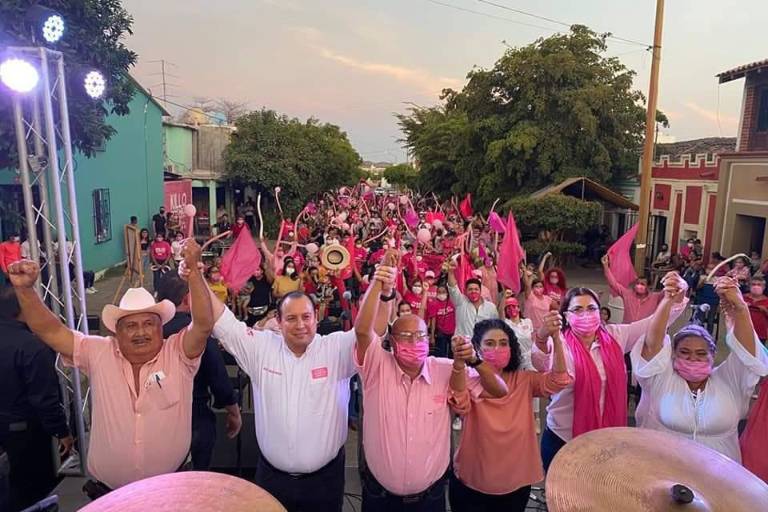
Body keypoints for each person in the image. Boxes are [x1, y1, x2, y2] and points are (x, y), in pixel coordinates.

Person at [7, 237, 212, 497]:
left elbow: (203, 325)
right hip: (108, 496)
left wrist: (193, 272)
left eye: (149, 324)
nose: (141, 332)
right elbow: (49, 329)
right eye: (131, 325)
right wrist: (26, 290)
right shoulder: (99, 351)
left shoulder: (179, 354)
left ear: (161, 328)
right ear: (116, 332)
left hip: (169, 493)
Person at [185, 253, 386, 512]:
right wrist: (195, 275)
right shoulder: (261, 349)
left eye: (306, 317)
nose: (300, 325)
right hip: (272, 480)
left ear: (317, 317)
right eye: (291, 318)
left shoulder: (336, 348)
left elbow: (372, 331)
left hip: (325, 482)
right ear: (278, 322)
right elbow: (221, 319)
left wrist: (385, 290)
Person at [354, 255, 507, 512]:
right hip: (379, 497)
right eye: (406, 336)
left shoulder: (444, 369)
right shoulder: (376, 367)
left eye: (421, 336)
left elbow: (499, 390)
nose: (415, 342)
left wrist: (474, 359)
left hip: (430, 499)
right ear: (392, 341)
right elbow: (362, 331)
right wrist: (380, 283)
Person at [532, 273, 689, 472]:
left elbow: (654, 323)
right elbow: (540, 363)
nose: (586, 314)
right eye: (577, 309)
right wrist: (542, 336)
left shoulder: (615, 336)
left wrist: (676, 295)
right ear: (566, 315)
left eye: (591, 308)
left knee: (600, 497)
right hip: (563, 439)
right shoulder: (558, 342)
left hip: (607, 440)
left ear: (600, 312)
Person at [632, 276, 768, 461]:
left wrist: (741, 308)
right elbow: (652, 344)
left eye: (701, 353)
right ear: (673, 355)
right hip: (665, 475)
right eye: (685, 352)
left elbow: (748, 355)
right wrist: (668, 300)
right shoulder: (661, 379)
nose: (693, 357)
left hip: (721, 481)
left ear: (712, 356)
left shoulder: (729, 380)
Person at [449, 319, 570, 512]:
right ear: (477, 349)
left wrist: (555, 338)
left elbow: (559, 380)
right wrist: (462, 362)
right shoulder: (469, 379)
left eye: (503, 343)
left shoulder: (524, 380)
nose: (497, 348)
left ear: (512, 348)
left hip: (515, 483)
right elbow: (459, 405)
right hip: (473, 480)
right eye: (489, 343)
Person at [157, 276, 242, 471]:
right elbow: (217, 375)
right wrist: (233, 411)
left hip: (157, 420)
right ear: (188, 299)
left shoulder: (151, 333)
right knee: (196, 481)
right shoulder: (196, 333)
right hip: (195, 416)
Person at [0, 286, 73, 510]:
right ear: (23, 309)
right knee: (29, 490)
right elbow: (45, 398)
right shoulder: (32, 346)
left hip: (8, 425)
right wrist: (62, 432)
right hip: (24, 431)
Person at [602, 254, 662, 322]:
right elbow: (613, 284)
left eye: (642, 284)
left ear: (648, 286)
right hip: (627, 330)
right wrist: (606, 266)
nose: (639, 286)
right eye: (637, 283)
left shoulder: (655, 297)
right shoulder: (627, 294)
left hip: (645, 331)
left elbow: (670, 295)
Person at [446, 260, 498, 338]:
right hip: (463, 347)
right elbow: (452, 287)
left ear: (480, 291)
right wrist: (450, 272)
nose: (473, 291)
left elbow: (495, 327)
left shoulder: (491, 307)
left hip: (483, 347)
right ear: (465, 291)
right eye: (470, 289)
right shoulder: (460, 302)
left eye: (476, 289)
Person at [500, 295, 534, 369]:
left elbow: (533, 339)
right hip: (516, 359)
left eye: (513, 306)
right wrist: (504, 296)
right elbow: (500, 313)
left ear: (518, 308)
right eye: (508, 308)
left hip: (530, 358)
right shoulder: (506, 323)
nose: (511, 309)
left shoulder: (528, 322)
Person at [427, 283, 456, 358]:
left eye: (443, 292)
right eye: (439, 292)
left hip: (453, 331)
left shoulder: (453, 302)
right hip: (441, 332)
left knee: (452, 353)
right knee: (441, 353)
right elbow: (433, 320)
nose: (441, 294)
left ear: (447, 293)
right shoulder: (433, 304)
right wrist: (432, 336)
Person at [745, 277, 768, 344]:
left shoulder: (766, 301)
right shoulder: (743, 298)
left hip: (760, 334)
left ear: (763, 287)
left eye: (759, 285)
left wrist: (765, 310)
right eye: (753, 284)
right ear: (749, 286)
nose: (756, 287)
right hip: (744, 332)